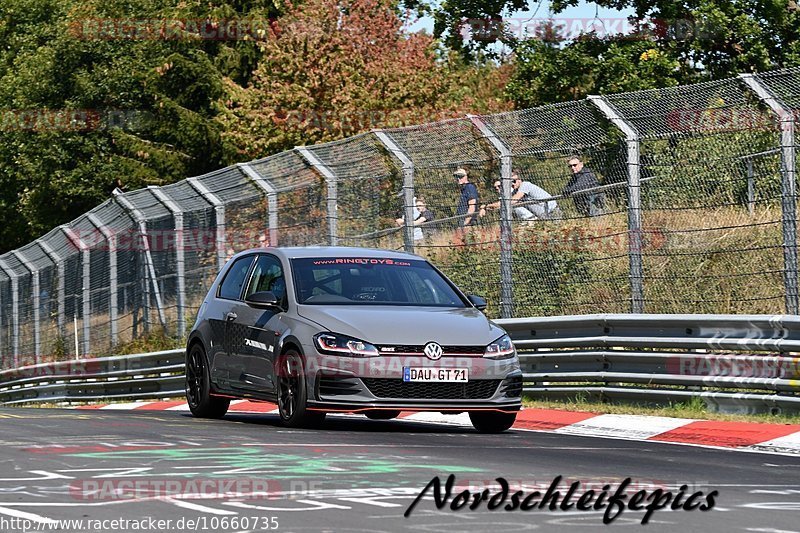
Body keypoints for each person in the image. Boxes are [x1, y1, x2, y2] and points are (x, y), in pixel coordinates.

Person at [480, 174, 560, 220]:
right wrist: (484, 207)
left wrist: (487, 206)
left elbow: (511, 201)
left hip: (552, 212)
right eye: (510, 183)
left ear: (519, 180)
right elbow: (501, 204)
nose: (512, 184)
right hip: (544, 216)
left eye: (514, 181)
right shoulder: (515, 192)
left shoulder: (525, 185)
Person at [453, 168, 478, 243]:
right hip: (462, 220)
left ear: (465, 177)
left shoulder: (469, 187)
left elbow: (472, 206)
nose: (458, 179)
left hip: (468, 222)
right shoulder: (463, 189)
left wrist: (465, 223)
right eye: (456, 177)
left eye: (460, 177)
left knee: (469, 242)